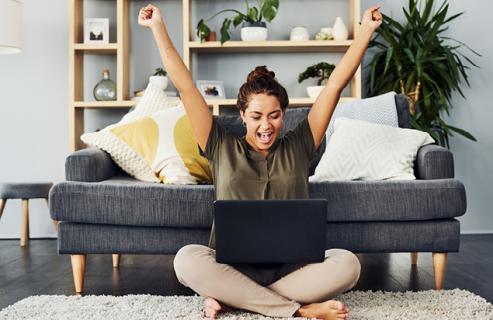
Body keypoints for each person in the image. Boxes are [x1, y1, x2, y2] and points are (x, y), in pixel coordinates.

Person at [138, 3, 382, 319]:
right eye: (256, 116)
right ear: (241, 115)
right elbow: (185, 87)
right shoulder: (219, 145)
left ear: (284, 115)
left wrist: (364, 31)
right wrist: (159, 29)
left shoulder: (300, 144)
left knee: (347, 264)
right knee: (186, 259)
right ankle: (298, 311)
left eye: (274, 116)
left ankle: (235, 300)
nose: (265, 126)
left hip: (292, 271)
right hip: (232, 267)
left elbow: (334, 86)